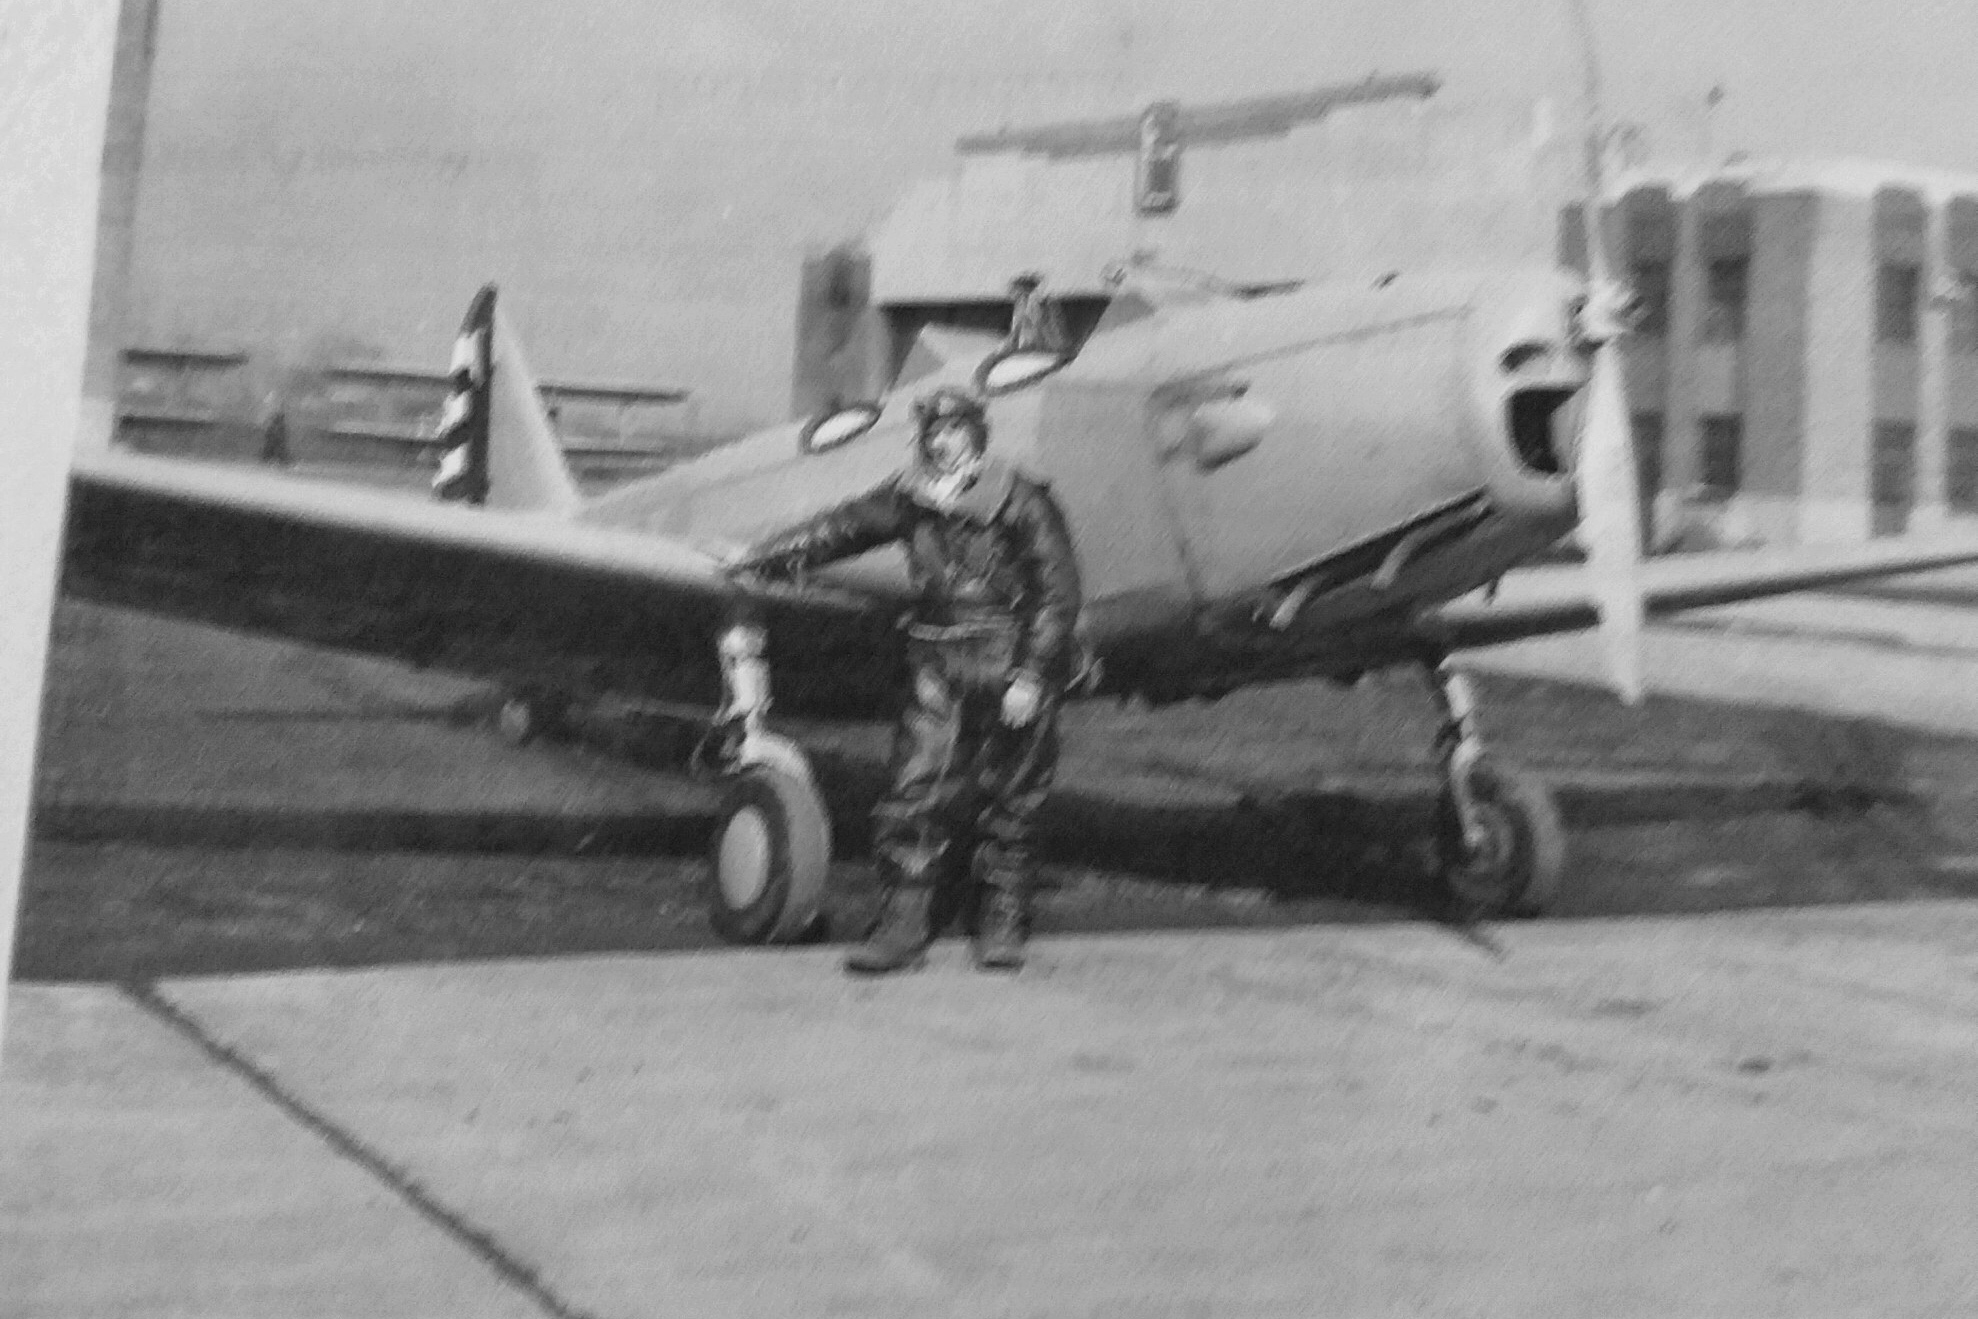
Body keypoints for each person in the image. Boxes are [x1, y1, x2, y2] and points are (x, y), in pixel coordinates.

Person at [730, 387, 1083, 975]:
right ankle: (903, 925)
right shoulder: (911, 497)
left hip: (1007, 656)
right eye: (934, 434)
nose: (942, 443)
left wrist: (1030, 675)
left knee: (1014, 794)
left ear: (976, 434)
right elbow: (842, 528)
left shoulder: (1020, 497)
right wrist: (765, 557)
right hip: (935, 658)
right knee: (912, 788)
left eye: (954, 431)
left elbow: (1058, 591)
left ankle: (1001, 921)